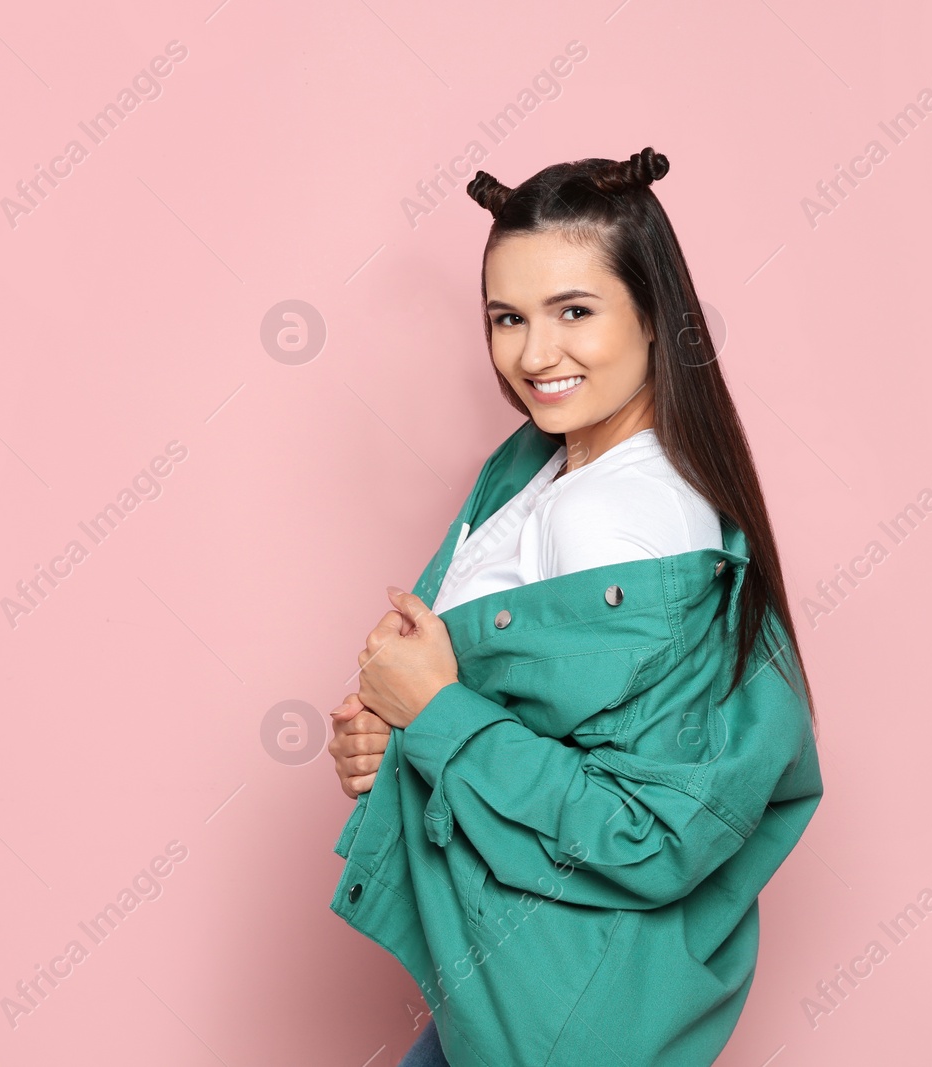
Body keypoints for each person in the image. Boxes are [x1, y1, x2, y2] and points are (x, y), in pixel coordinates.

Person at [327, 147, 823, 1067]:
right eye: (508, 317)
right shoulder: (542, 464)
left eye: (575, 311)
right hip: (513, 985)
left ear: (653, 317)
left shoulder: (623, 519)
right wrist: (396, 738)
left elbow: (643, 831)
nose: (533, 353)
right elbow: (549, 725)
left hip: (555, 1017)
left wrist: (431, 711)